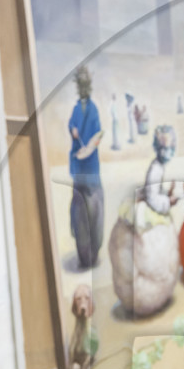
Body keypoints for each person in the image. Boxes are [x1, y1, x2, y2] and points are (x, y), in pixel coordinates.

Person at [67, 66, 105, 269]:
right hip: (78, 167)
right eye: (80, 85)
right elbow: (71, 124)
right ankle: (83, 256)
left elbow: (98, 135)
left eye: (85, 85)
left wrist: (90, 146)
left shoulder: (94, 109)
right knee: (78, 211)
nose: (83, 89)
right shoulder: (75, 109)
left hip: (91, 170)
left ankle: (94, 252)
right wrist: (72, 129)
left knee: (94, 210)